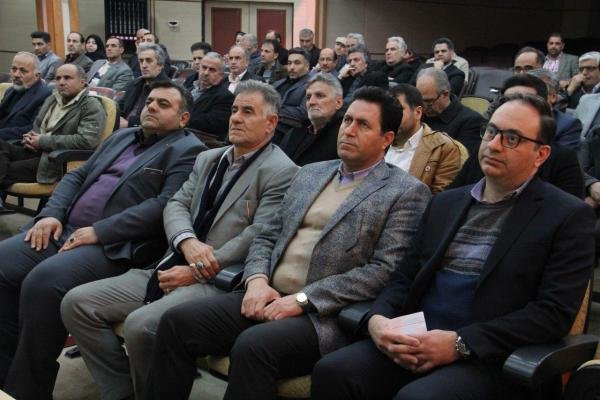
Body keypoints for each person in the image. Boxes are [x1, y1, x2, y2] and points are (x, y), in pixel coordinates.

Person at [141, 86, 431, 400]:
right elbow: (268, 234)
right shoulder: (310, 174)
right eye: (347, 120)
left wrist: (302, 300)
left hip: (323, 315)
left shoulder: (405, 192)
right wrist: (256, 280)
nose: (349, 130)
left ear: (386, 139)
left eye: (363, 125)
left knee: (254, 346)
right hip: (266, 294)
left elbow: (383, 271)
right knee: (177, 323)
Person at [311, 93, 595, 400]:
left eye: (512, 138)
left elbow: (552, 314)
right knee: (334, 370)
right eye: (491, 131)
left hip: (492, 355)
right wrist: (378, 320)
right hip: (419, 336)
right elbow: (403, 279)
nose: (494, 145)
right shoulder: (446, 203)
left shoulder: (566, 215)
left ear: (541, 154)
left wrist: (460, 343)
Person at [61, 80, 299, 400]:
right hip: (171, 260)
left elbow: (258, 234)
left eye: (248, 112)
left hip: (217, 278)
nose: (236, 118)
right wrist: (187, 242)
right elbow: (176, 204)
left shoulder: (283, 171)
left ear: (271, 123)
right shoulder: (208, 158)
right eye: (234, 110)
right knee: (76, 304)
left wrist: (196, 268)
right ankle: (122, 390)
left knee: (140, 325)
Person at [0, 80, 205, 400]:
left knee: (43, 283)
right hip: (64, 229)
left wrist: (100, 231)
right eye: (150, 101)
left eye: (163, 104)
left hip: (114, 245)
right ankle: (4, 373)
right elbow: (77, 176)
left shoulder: (189, 151)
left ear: (183, 118)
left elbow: (163, 206)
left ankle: (27, 389)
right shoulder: (123, 136)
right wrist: (50, 215)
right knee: (3, 263)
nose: (151, 106)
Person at [0, 63, 104, 194]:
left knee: (6, 169)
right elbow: (37, 126)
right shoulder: (52, 98)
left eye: (67, 78)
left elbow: (87, 141)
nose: (61, 82)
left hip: (55, 160)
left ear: (82, 82)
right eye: (58, 78)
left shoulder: (91, 106)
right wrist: (30, 137)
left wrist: (42, 141)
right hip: (34, 151)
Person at [385, 84, 467, 194]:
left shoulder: (444, 148)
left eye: (398, 109)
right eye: (387, 111)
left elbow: (439, 199)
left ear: (418, 112)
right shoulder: (377, 139)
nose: (391, 116)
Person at [416, 67, 485, 156]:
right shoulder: (418, 114)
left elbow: (462, 160)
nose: (423, 107)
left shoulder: (471, 121)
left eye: (429, 101)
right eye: (420, 101)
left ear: (445, 94)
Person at [278, 73, 344, 165]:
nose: (311, 102)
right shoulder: (295, 131)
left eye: (320, 96)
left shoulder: (343, 137)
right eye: (308, 97)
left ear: (338, 103)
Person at [0, 52, 52, 140]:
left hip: (17, 143)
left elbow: (33, 129)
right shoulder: (10, 90)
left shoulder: (45, 95)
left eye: (23, 71)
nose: (16, 75)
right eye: (14, 69)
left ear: (37, 76)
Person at [118, 43, 169, 128]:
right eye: (141, 61)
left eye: (149, 61)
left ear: (160, 65)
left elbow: (162, 119)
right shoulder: (133, 84)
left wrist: (129, 124)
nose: (143, 65)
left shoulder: (168, 89)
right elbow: (120, 107)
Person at [187, 52, 234, 140]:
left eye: (212, 70)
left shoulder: (226, 97)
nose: (206, 73)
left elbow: (209, 123)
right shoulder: (189, 87)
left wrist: (179, 116)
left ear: (221, 75)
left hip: (199, 140)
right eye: (204, 67)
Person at [272, 48, 312, 140]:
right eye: (289, 63)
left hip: (289, 133)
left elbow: (303, 112)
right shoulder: (278, 83)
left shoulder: (312, 85)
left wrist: (273, 110)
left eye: (297, 63)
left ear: (307, 66)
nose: (292, 67)